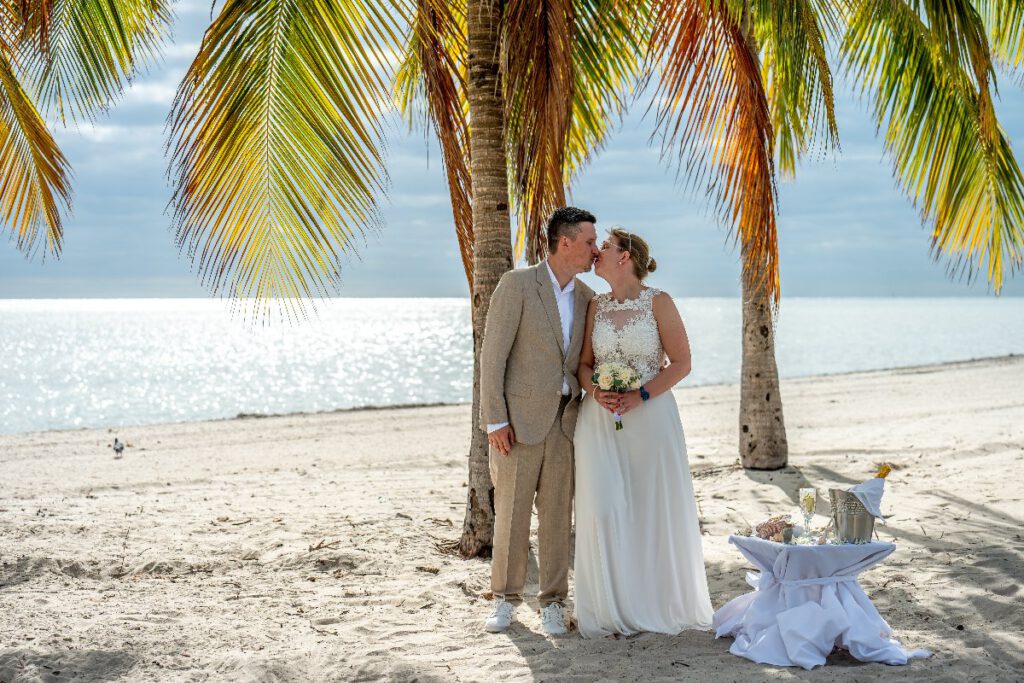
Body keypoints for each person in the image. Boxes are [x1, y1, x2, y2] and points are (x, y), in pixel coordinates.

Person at [573, 227, 713, 639]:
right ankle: (610, 606)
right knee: (604, 508)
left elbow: (682, 362)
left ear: (626, 256)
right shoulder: (595, 306)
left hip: (650, 419)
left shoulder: (659, 302)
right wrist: (596, 391)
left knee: (651, 508)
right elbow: (583, 365)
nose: (596, 251)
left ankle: (651, 604)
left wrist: (641, 394)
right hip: (599, 421)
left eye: (606, 246)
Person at [478, 207, 599, 635]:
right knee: (510, 516)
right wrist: (495, 420)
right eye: (588, 241)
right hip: (518, 424)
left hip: (566, 424)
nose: (594, 249)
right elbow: (492, 357)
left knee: (555, 518)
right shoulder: (517, 285)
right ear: (564, 242)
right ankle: (505, 600)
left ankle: (552, 602)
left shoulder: (587, 298)